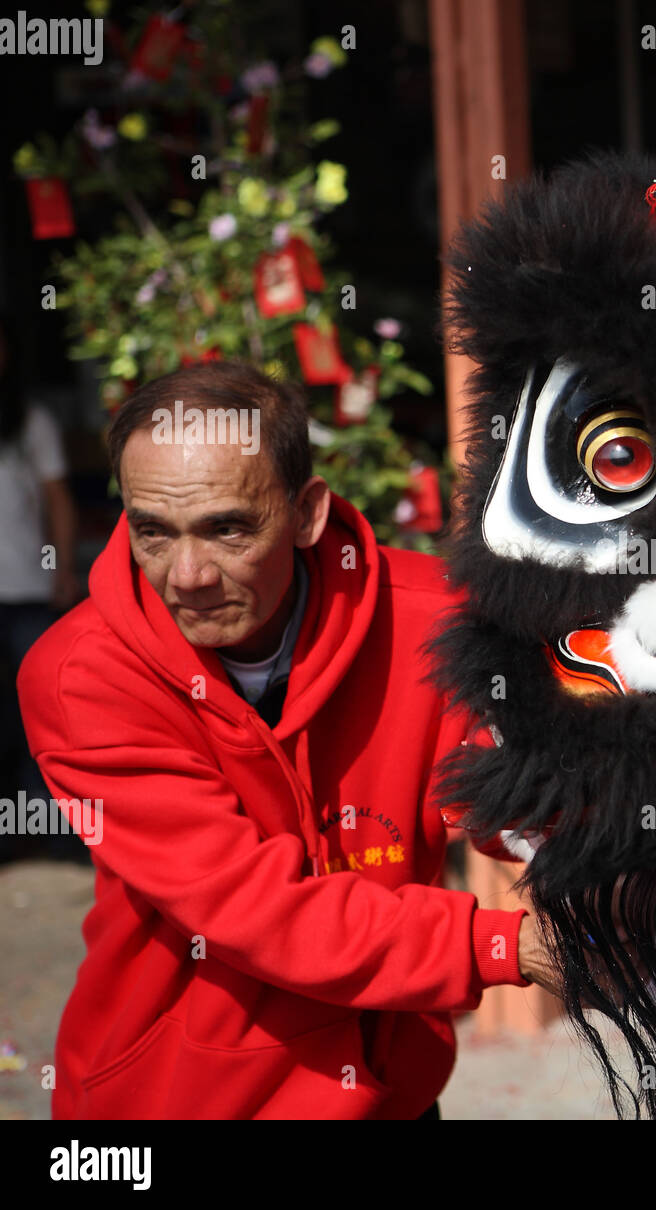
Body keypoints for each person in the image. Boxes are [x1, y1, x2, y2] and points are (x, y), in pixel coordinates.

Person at [17, 361, 554, 1119]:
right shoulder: (80, 675)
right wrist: (504, 943)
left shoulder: (433, 623)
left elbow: (520, 800)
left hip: (388, 1094)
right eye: (153, 533)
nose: (189, 575)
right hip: (171, 1100)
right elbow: (253, 906)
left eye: (228, 527)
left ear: (307, 513)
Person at [0, 312, 79, 863]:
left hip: (28, 586)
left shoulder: (29, 420)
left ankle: (52, 832)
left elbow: (57, 500)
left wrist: (64, 570)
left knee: (46, 717)